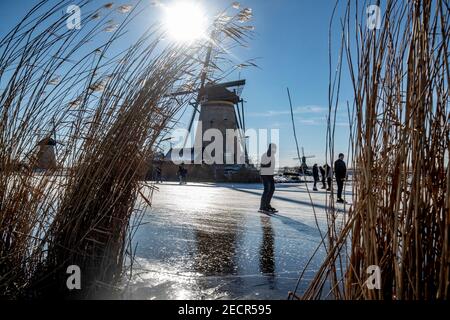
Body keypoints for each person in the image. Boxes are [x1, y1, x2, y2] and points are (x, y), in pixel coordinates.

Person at [259, 143, 278, 214]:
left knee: (272, 189)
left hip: (270, 175)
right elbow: (264, 166)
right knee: (267, 189)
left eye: (275, 148)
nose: (275, 150)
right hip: (264, 174)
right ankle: (262, 206)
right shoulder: (265, 155)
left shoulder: (273, 156)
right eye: (274, 148)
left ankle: (267, 204)